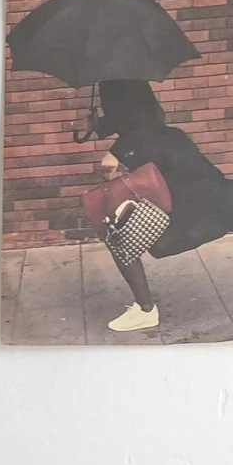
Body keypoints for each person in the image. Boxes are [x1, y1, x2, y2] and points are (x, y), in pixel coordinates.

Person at [91, 79, 233, 333]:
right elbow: (137, 125)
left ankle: (145, 310)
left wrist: (112, 157)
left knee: (117, 234)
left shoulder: (130, 143)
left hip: (197, 213)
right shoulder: (168, 133)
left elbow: (135, 129)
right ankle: (144, 309)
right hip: (214, 200)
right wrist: (98, 126)